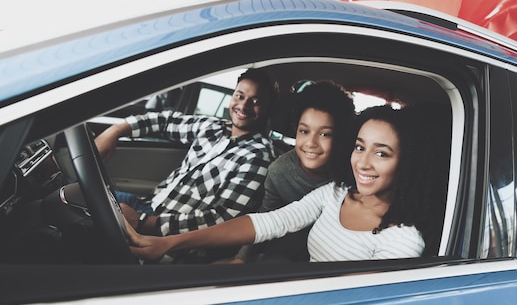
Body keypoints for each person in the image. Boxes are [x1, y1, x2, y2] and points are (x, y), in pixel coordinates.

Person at [126, 105, 429, 262]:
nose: (363, 163)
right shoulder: (337, 193)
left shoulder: (402, 240)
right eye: (360, 147)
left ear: (405, 163)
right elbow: (270, 222)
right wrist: (169, 242)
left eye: (382, 153)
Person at [95, 69, 279, 261]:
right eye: (239, 96)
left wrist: (144, 222)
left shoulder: (258, 156)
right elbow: (165, 122)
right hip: (147, 204)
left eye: (256, 102)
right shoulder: (213, 128)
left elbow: (221, 221)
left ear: (267, 110)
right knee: (73, 192)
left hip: (167, 237)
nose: (243, 105)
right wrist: (115, 131)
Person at [232, 80, 355, 263]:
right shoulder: (280, 171)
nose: (311, 143)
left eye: (325, 134)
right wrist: (241, 259)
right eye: (304, 131)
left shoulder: (352, 175)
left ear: (341, 137)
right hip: (289, 243)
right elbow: (266, 214)